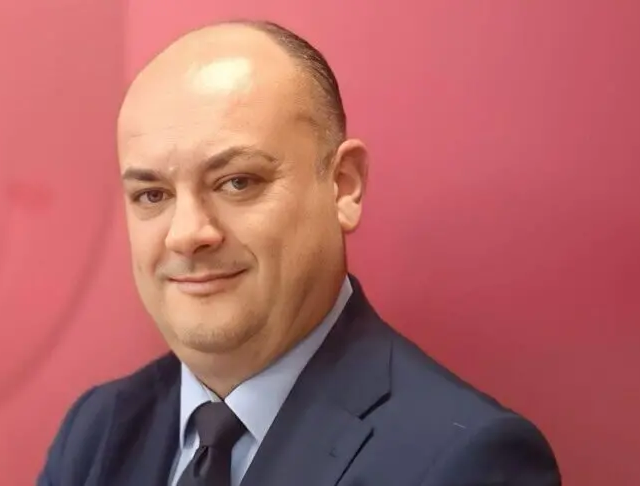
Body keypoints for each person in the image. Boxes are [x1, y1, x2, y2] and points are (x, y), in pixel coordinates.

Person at [37, 19, 561, 486]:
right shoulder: (96, 432)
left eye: (237, 182)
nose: (187, 234)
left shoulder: (466, 463)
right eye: (152, 195)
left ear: (343, 186)